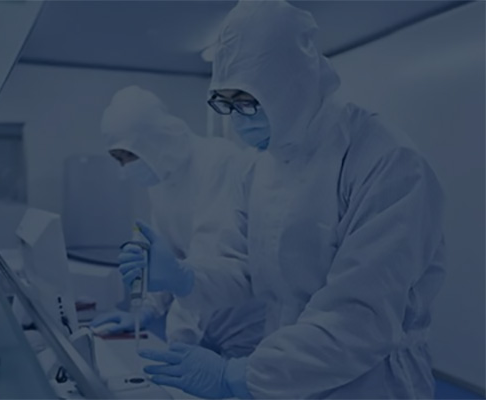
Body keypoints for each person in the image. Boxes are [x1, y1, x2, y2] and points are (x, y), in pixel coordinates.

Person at [120, 1, 446, 399]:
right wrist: (187, 278)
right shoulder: (261, 168)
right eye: (225, 102)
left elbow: (361, 318)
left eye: (247, 100)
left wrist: (237, 376)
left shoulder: (384, 161)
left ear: (292, 85)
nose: (237, 119)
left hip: (370, 383)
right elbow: (243, 269)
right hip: (284, 373)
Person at [91, 85, 266, 358]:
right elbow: (167, 257)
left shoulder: (218, 162)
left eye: (129, 155)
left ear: (153, 140)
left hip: (242, 324)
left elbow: (206, 264)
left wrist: (179, 338)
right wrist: (145, 311)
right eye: (118, 159)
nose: (126, 168)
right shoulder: (161, 178)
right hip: (201, 322)